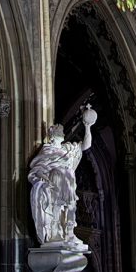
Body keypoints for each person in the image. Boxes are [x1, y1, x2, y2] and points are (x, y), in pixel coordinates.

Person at [28, 105, 97, 248]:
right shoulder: (47, 151)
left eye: (60, 132)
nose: (59, 133)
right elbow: (37, 169)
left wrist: (88, 127)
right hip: (56, 182)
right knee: (58, 205)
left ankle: (70, 232)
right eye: (56, 132)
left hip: (68, 182)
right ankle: (55, 232)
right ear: (51, 136)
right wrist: (43, 180)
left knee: (70, 206)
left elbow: (86, 145)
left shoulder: (68, 149)